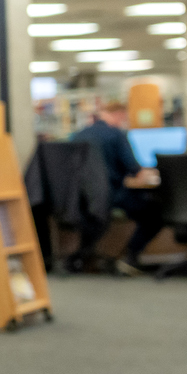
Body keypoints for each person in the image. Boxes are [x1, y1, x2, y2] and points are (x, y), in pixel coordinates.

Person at [69, 101, 165, 274]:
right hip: (112, 195)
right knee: (155, 212)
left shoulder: (79, 135)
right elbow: (134, 168)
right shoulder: (116, 135)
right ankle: (130, 257)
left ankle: (83, 255)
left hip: (83, 196)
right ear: (119, 115)